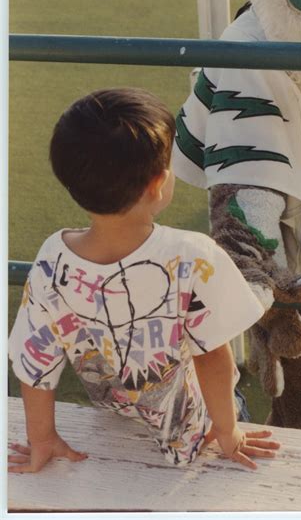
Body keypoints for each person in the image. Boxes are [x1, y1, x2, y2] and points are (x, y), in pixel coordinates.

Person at [8, 87, 280, 473]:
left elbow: (36, 361)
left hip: (114, 405)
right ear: (159, 183)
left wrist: (42, 438)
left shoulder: (53, 257)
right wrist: (227, 429)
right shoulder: (192, 253)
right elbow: (212, 357)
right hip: (194, 420)